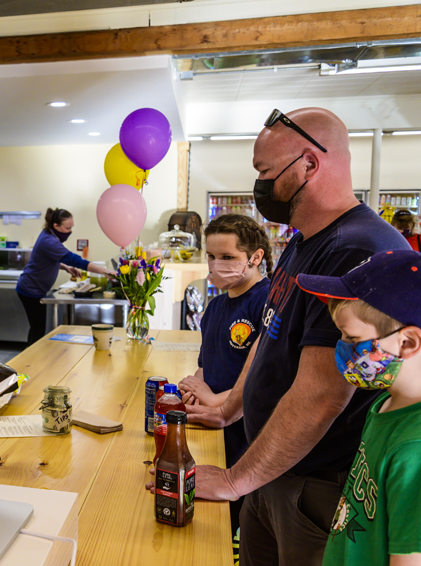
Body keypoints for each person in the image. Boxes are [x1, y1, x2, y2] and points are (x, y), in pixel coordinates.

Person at [182, 108, 411, 566]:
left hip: (313, 483)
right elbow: (270, 338)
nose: (260, 184)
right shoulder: (306, 239)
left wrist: (233, 481)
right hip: (270, 466)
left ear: (309, 164)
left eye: (265, 171)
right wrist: (229, 410)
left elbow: (322, 395)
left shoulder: (355, 248)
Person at [296, 250, 421, 566]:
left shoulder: (414, 447)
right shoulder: (386, 402)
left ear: (407, 343)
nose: (342, 348)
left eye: (352, 338)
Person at [176, 214, 273, 540]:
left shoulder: (268, 301)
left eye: (228, 257)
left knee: (231, 521)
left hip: (244, 435)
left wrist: (216, 400)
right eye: (212, 257)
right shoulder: (216, 307)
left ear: (255, 257)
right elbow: (208, 363)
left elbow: (268, 374)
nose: (217, 266)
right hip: (211, 427)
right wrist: (194, 387)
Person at [16, 207, 115, 345]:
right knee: (38, 330)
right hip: (30, 289)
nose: (70, 231)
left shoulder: (48, 234)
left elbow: (49, 259)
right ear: (56, 225)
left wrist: (65, 267)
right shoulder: (49, 241)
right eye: (68, 228)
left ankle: (31, 358)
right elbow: (76, 260)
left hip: (35, 288)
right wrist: (106, 271)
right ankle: (29, 362)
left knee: (36, 329)